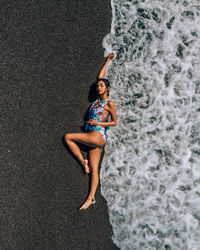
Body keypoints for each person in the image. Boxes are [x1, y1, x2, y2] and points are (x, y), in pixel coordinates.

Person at [65, 52, 117, 211]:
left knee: (68, 137)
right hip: (95, 138)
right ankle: (91, 198)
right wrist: (107, 60)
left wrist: (98, 122)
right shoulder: (95, 101)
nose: (98, 87)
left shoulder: (109, 104)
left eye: (102, 86)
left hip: (97, 134)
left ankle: (82, 161)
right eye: (98, 86)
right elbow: (100, 77)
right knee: (95, 170)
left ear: (107, 88)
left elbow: (114, 122)